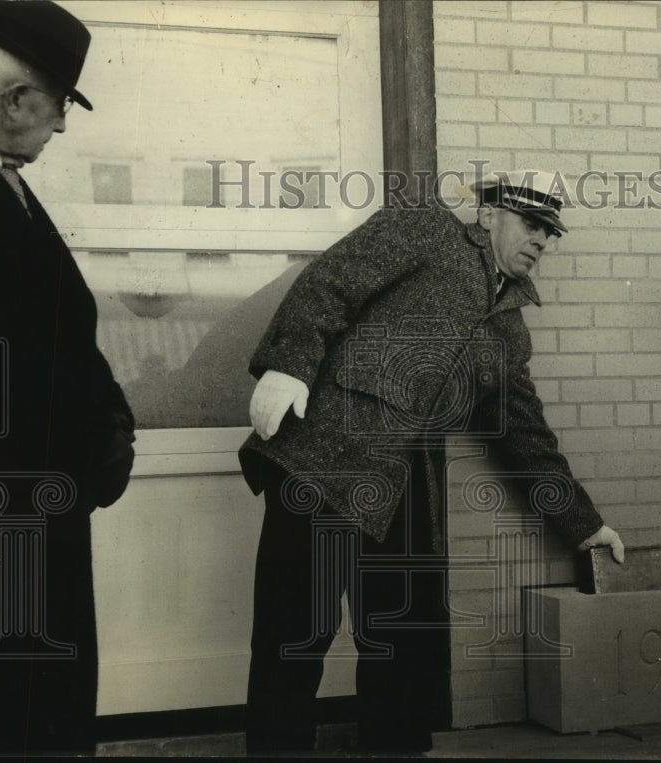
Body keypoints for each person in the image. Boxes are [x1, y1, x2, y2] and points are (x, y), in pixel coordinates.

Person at [238, 170, 625, 753]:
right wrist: (288, 362)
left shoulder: (508, 329)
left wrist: (584, 524)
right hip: (328, 454)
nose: (541, 240)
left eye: (550, 231)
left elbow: (524, 434)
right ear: (489, 215)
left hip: (407, 479)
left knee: (401, 638)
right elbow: (329, 281)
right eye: (531, 223)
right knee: (293, 633)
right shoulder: (422, 228)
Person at [0, 1, 135, 754]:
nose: (61, 127)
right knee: (6, 709)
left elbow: (52, 325)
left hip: (32, 507)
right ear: (18, 100)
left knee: (39, 697)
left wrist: (107, 420)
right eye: (59, 107)